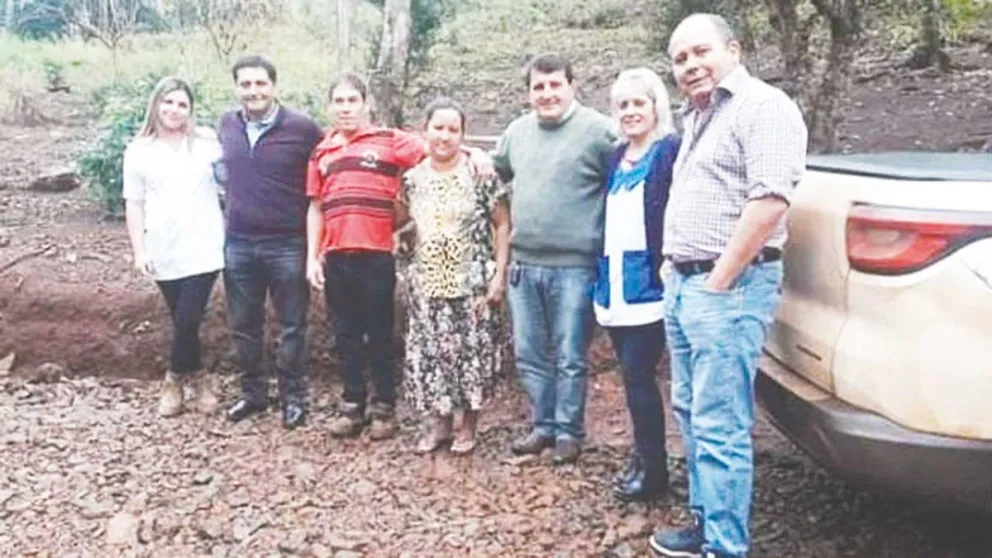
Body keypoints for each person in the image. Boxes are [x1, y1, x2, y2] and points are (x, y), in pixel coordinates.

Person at [647, 14, 808, 558]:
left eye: (700, 52)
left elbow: (769, 201)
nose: (690, 66)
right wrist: (676, 272)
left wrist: (717, 282)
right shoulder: (699, 116)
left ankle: (725, 546)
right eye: (679, 59)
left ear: (733, 49)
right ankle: (706, 523)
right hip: (687, 285)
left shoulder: (763, 107)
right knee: (692, 412)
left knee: (720, 422)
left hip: (730, 286)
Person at [305, 74, 493, 441]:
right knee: (344, 334)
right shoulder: (321, 152)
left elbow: (438, 147)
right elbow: (315, 207)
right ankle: (352, 403)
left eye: (352, 101)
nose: (346, 108)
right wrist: (312, 257)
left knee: (379, 333)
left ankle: (384, 407)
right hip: (336, 254)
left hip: (376, 253)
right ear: (330, 107)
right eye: (339, 101)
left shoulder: (390, 140)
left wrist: (476, 152)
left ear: (365, 104)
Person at [493, 52, 617, 465]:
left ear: (571, 86)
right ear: (529, 93)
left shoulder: (599, 131)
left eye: (554, 85)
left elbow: (624, 175)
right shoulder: (516, 132)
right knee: (529, 352)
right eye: (538, 87)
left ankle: (568, 432)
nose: (546, 94)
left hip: (575, 265)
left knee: (570, 354)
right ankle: (543, 425)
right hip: (524, 264)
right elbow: (496, 174)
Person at [396, 97, 510, 455]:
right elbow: (403, 222)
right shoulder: (412, 179)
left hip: (470, 283)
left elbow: (503, 224)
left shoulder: (480, 174)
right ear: (424, 130)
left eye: (452, 129)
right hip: (427, 284)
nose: (444, 136)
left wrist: (498, 277)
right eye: (438, 127)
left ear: (463, 134)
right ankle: (440, 425)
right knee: (432, 356)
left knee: (470, 355)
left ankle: (468, 427)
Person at [217, 55, 324, 429]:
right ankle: (253, 394)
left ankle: (293, 397)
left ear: (273, 86)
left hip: (287, 243)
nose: (253, 91)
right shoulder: (226, 125)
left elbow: (332, 157)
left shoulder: (302, 128)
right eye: (245, 84)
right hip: (239, 243)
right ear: (237, 88)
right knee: (244, 325)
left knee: (292, 324)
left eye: (260, 84)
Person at [594, 68, 680, 501]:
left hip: (650, 285)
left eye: (638, 103)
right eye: (623, 105)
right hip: (613, 285)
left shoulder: (669, 152)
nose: (630, 112)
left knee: (639, 376)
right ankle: (643, 456)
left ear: (655, 107)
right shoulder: (614, 157)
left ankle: (655, 472)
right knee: (631, 380)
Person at [122, 76, 225, 417]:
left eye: (182, 104)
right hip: (163, 247)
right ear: (156, 104)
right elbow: (134, 203)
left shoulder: (207, 142)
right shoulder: (139, 151)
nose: (174, 110)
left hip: (205, 244)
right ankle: (199, 376)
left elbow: (235, 176)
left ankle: (173, 379)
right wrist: (140, 250)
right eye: (168, 102)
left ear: (190, 110)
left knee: (187, 316)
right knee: (183, 321)